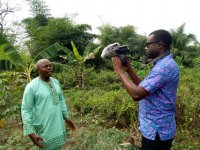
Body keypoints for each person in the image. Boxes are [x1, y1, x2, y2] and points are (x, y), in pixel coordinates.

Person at [112, 29, 179, 150]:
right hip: (155, 129)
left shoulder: (164, 67)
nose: (145, 48)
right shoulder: (162, 64)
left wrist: (120, 72)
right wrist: (129, 70)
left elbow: (137, 95)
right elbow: (144, 87)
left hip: (157, 131)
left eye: (148, 45)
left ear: (159, 45)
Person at [21, 59, 76, 150]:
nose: (49, 68)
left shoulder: (55, 82)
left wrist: (67, 118)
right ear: (38, 69)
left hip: (57, 125)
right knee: (45, 147)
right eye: (45, 66)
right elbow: (26, 110)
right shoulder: (31, 87)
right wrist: (30, 133)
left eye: (50, 65)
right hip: (43, 127)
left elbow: (61, 101)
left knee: (58, 146)